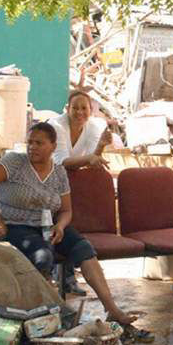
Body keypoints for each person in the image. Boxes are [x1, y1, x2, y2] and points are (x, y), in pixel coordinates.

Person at [0, 122, 136, 326]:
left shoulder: (59, 173)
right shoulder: (14, 162)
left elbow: (66, 210)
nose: (32, 147)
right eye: (30, 142)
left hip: (49, 225)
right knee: (43, 256)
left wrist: (60, 226)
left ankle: (112, 309)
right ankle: (46, 315)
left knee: (84, 249)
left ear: (53, 146)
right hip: (15, 225)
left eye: (39, 143)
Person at [49, 90, 113, 295]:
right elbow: (60, 162)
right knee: (55, 227)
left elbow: (94, 158)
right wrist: (88, 160)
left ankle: (68, 278)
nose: (79, 112)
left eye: (84, 108)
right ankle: (54, 278)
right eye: (75, 107)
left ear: (90, 110)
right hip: (49, 182)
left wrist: (101, 146)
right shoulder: (56, 126)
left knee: (70, 227)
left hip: (71, 184)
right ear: (67, 109)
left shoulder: (94, 126)